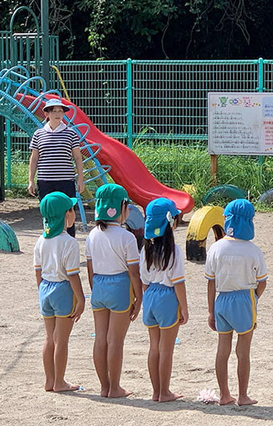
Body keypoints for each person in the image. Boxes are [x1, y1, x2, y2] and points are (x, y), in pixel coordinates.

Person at [205, 199, 267, 406]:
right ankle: (242, 396)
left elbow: (210, 282)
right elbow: (262, 281)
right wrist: (255, 298)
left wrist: (211, 311)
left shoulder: (216, 248)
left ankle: (224, 395)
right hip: (244, 298)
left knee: (222, 349)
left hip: (221, 299)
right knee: (243, 351)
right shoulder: (252, 250)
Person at [85, 184, 143, 398]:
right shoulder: (126, 237)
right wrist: (139, 298)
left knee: (100, 338)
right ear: (123, 207)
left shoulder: (92, 235)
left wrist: (95, 290)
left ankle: (104, 386)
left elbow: (90, 269)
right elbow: (134, 273)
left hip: (99, 286)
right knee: (115, 340)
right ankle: (115, 387)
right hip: (120, 287)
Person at [34, 192, 85, 392]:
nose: (74, 214)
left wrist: (42, 291)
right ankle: (60, 382)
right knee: (61, 340)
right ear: (66, 214)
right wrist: (80, 299)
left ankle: (49, 380)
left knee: (49, 337)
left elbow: (37, 271)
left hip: (45, 288)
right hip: (63, 289)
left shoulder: (41, 240)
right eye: (71, 210)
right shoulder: (69, 243)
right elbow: (73, 275)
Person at [140, 198, 188, 402]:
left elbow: (143, 280)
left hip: (150, 295)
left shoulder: (145, 250)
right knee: (166, 349)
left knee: (154, 346)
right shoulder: (174, 251)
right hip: (168, 297)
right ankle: (165, 392)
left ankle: (155, 391)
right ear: (171, 223)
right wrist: (184, 309)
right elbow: (178, 283)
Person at [28, 98, 85, 237]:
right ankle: (49, 241)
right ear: (47, 113)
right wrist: (30, 180)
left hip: (65, 180)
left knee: (68, 212)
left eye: (61, 111)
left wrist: (80, 179)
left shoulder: (71, 133)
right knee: (48, 213)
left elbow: (78, 157)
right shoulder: (38, 134)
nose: (58, 114)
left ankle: (70, 241)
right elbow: (34, 158)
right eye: (54, 111)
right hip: (44, 181)